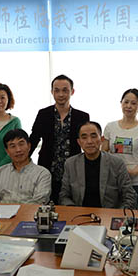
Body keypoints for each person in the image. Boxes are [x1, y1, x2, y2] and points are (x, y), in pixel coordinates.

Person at [29, 74, 90, 203]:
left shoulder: (82, 116)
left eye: (65, 90)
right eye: (57, 90)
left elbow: (87, 143)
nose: (61, 94)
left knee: (72, 205)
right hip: (47, 169)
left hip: (73, 170)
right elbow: (33, 140)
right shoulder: (43, 114)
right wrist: (22, 162)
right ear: (52, 92)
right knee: (46, 204)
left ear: (72, 92)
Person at [60, 121, 136, 209]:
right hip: (78, 214)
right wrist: (73, 211)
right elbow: (64, 196)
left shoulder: (116, 163)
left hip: (108, 214)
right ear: (79, 142)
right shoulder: (70, 164)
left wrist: (118, 215)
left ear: (101, 139)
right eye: (84, 137)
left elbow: (130, 196)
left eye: (93, 136)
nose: (89, 141)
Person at [102, 88, 138, 202]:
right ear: (121, 103)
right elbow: (104, 152)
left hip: (136, 180)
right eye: (126, 102)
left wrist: (134, 172)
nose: (129, 106)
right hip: (113, 179)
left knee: (134, 211)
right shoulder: (110, 127)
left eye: (133, 103)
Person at [0, 129, 51, 204]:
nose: (18, 150)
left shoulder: (42, 174)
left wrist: (18, 210)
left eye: (21, 144)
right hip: (1, 211)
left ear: (29, 146)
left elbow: (39, 201)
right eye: (12, 146)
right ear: (7, 151)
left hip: (30, 211)